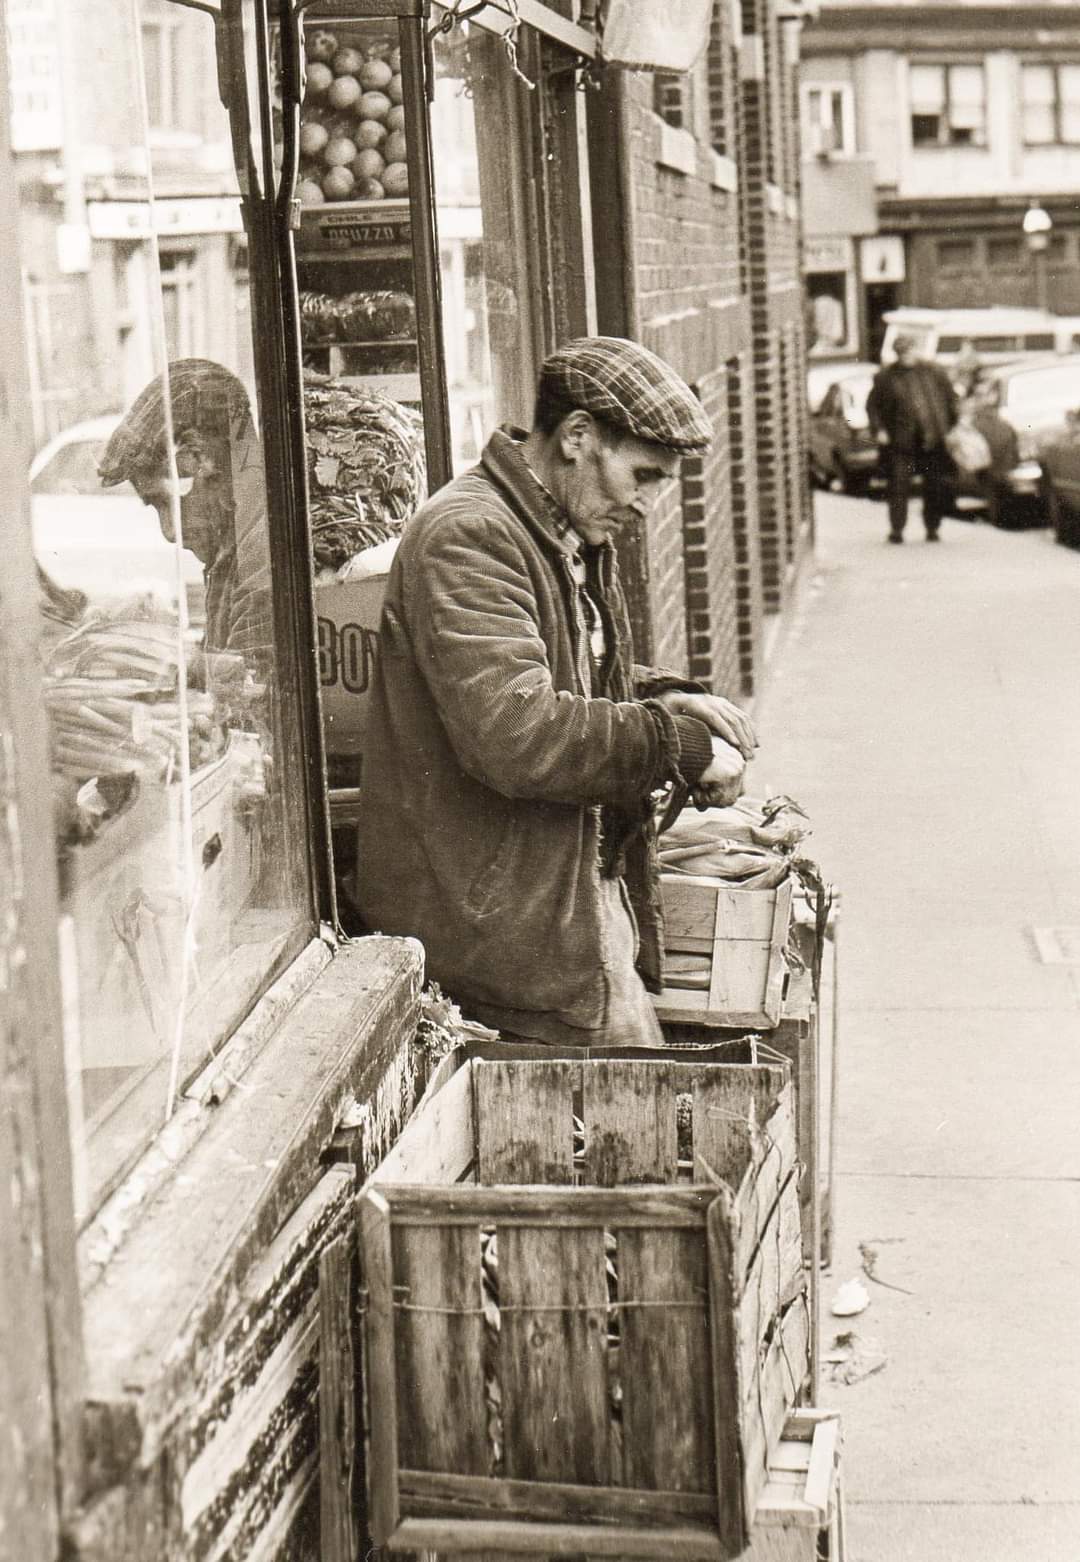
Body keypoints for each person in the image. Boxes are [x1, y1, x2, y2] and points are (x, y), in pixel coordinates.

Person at [354, 335, 758, 1048]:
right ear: (577, 437)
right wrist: (676, 745)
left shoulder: (557, 527)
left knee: (642, 1097)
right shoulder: (471, 535)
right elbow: (519, 734)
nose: (646, 505)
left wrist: (658, 699)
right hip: (502, 931)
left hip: (558, 903)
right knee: (632, 1108)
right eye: (642, 476)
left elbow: (556, 672)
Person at [98, 359, 272, 671]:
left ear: (200, 461)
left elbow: (246, 682)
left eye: (164, 503)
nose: (169, 532)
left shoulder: (259, 564)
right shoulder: (235, 553)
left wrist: (158, 659)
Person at [867, 333, 959, 543]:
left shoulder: (934, 372)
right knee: (898, 485)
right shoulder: (886, 377)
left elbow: (950, 399)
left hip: (932, 439)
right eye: (902, 352)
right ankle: (897, 529)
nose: (906, 355)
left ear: (917, 350)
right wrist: (879, 429)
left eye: (909, 351)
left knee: (934, 486)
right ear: (897, 354)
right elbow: (873, 406)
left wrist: (951, 426)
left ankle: (932, 527)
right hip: (901, 441)